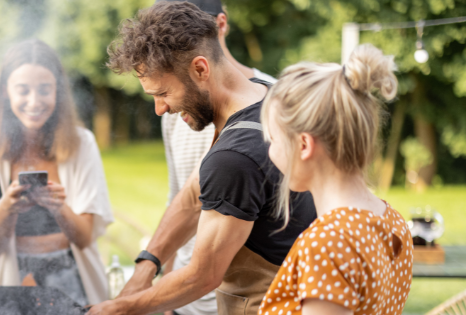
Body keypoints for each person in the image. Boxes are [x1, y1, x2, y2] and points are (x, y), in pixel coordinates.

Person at [88, 2, 317, 314]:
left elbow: (202, 276)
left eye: (163, 94)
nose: (159, 109)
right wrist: (146, 267)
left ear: (200, 69)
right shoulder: (265, 96)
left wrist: (118, 309)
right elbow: (191, 197)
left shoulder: (234, 157)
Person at [257, 44, 413, 315]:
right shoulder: (394, 223)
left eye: (273, 139)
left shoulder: (327, 243)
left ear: (304, 144)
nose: (270, 151)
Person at [0, 39, 115, 307]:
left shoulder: (82, 143)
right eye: (23, 90)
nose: (34, 102)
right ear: (5, 91)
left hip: (73, 281)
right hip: (14, 284)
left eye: (45, 90)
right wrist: (7, 209)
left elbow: (84, 239)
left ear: (57, 90)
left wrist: (59, 207)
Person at [156, 1, 276, 314]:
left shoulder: (278, 100)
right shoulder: (173, 110)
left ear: (220, 25)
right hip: (183, 300)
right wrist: (161, 279)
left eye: (185, 33)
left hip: (250, 298)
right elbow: (179, 196)